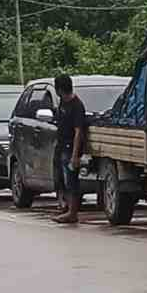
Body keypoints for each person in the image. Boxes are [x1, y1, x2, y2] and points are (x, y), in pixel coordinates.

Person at [53, 74, 87, 224]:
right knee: (61, 178)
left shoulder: (77, 105)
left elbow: (78, 131)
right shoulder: (62, 103)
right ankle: (65, 207)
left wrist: (75, 155)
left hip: (70, 147)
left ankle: (73, 213)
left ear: (60, 89)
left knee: (71, 180)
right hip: (61, 145)